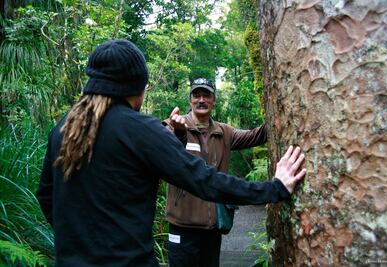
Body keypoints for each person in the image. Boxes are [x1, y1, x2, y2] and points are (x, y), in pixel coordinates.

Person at [36, 39, 306, 267]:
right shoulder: (140, 130)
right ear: (138, 87)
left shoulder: (65, 127)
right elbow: (204, 180)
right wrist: (275, 188)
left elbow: (46, 195)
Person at [163, 78, 276, 267]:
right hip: (182, 226)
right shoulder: (175, 124)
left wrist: (277, 113)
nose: (201, 100)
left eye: (206, 95)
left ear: (213, 100)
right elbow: (163, 143)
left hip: (212, 228)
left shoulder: (224, 132)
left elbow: (256, 136)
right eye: (196, 95)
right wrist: (179, 133)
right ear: (190, 100)